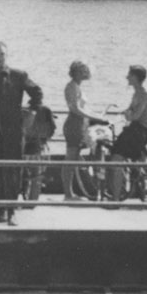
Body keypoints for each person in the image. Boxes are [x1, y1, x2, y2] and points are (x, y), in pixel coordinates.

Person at [0, 40, 47, 224]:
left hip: (13, 131)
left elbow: (37, 93)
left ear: (7, 56)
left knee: (12, 170)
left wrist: (32, 112)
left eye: (2, 54)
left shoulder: (18, 76)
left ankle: (12, 211)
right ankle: (0, 211)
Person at [108, 63, 147, 199]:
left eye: (129, 75)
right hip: (135, 129)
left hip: (138, 132)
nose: (127, 77)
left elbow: (134, 116)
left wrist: (128, 114)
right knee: (118, 154)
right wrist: (126, 113)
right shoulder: (137, 92)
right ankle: (134, 186)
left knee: (116, 159)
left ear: (135, 77)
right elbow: (129, 111)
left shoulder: (144, 94)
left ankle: (116, 198)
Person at [61, 60, 96, 199]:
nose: (86, 73)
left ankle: (70, 192)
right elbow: (75, 109)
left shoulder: (77, 87)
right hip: (74, 125)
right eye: (82, 71)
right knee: (70, 159)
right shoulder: (72, 87)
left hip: (80, 124)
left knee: (74, 157)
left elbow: (82, 107)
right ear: (75, 73)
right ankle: (68, 194)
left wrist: (93, 115)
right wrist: (93, 116)